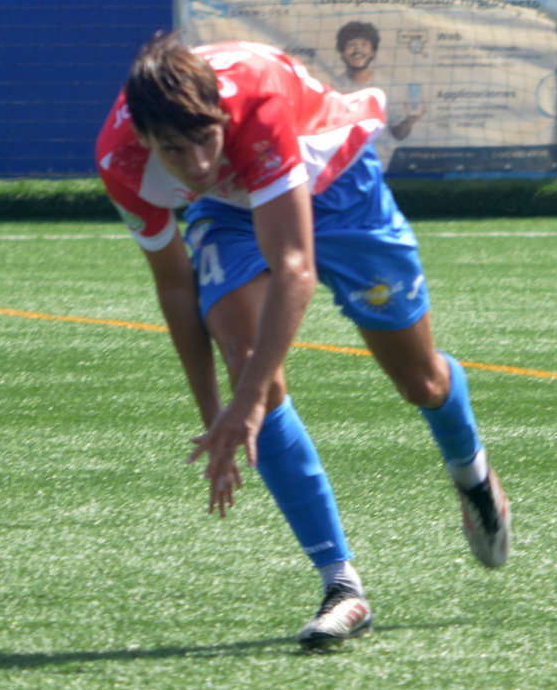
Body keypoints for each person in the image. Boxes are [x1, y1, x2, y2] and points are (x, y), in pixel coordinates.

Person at [96, 34, 512, 651]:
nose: (197, 165)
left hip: (340, 185)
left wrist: (247, 406)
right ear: (146, 141)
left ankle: (471, 472)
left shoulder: (256, 107)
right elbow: (176, 290)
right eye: (174, 152)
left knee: (420, 381)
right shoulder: (121, 163)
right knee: (247, 366)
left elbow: (295, 267)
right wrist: (217, 411)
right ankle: (342, 585)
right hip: (230, 215)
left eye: (206, 140)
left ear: (221, 117)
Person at [334, 21, 424, 142]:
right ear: (342, 53)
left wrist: (409, 121)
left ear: (373, 52)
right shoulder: (332, 90)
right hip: (345, 160)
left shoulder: (388, 87)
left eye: (364, 45)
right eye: (351, 45)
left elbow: (398, 134)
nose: (357, 50)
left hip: (378, 160)